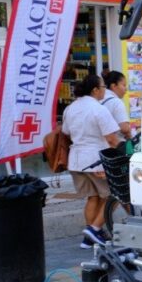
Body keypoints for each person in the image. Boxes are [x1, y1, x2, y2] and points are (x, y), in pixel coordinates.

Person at [61, 74, 121, 247]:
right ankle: (94, 229)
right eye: (103, 87)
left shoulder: (71, 108)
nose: (105, 91)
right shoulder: (99, 109)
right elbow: (111, 139)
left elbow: (65, 132)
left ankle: (90, 238)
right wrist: (122, 154)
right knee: (113, 195)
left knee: (92, 198)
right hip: (96, 160)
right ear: (95, 89)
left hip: (76, 160)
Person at [101, 70, 131, 139]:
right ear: (113, 86)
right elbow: (125, 128)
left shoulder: (99, 99)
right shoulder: (116, 102)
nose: (126, 89)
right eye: (123, 85)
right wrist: (130, 137)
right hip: (115, 145)